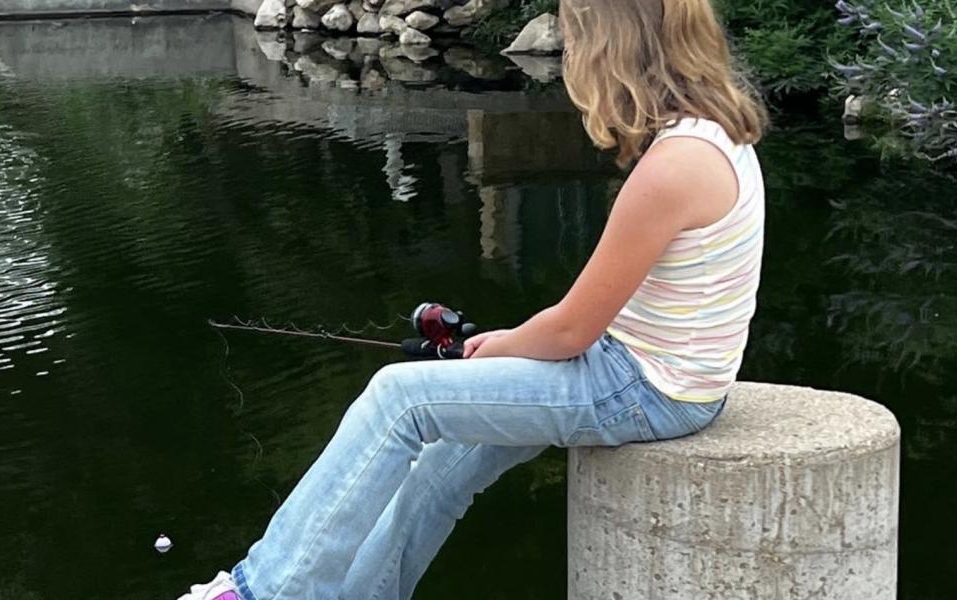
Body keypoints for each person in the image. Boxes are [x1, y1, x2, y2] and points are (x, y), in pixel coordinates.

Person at [178, 0, 766, 598]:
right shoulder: (710, 134)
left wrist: (507, 348)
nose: (568, 54)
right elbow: (589, 322)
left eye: (573, 38)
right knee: (443, 455)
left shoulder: (672, 167)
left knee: (398, 400)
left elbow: (572, 331)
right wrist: (509, 346)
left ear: (610, 47)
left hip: (645, 390)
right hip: (652, 373)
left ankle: (267, 591)